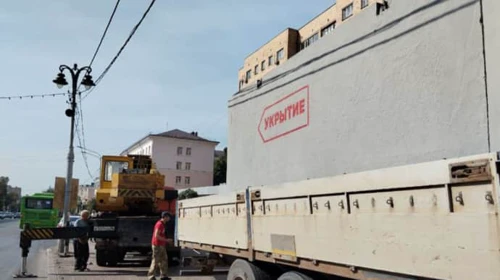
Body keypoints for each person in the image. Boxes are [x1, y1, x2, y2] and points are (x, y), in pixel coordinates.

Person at [147, 211, 172, 280]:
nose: (169, 218)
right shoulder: (159, 224)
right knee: (155, 260)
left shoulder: (163, 224)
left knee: (164, 260)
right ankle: (151, 276)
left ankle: (164, 275)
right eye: (168, 217)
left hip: (161, 245)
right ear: (165, 217)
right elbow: (156, 235)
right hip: (157, 245)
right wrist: (166, 240)